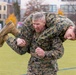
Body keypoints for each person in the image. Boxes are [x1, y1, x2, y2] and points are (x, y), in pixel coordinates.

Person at [3, 12, 76, 75]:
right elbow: (41, 39)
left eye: (72, 39)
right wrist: (18, 40)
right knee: (22, 49)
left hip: (48, 70)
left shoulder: (57, 36)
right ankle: (7, 35)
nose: (68, 38)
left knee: (25, 47)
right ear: (70, 28)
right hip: (33, 69)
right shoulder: (58, 28)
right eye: (70, 35)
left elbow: (59, 51)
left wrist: (44, 53)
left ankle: (12, 32)